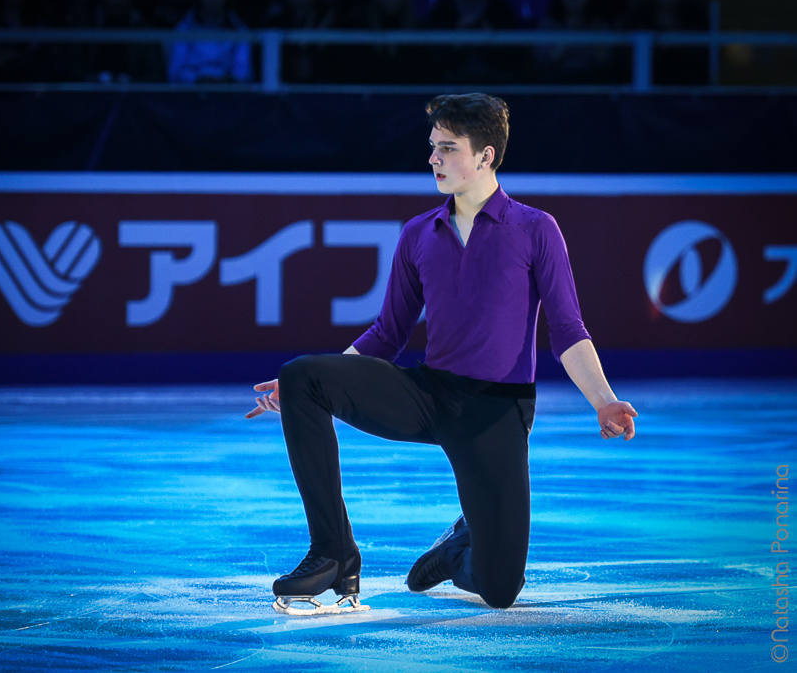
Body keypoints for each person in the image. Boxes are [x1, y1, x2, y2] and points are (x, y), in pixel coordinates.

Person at [247, 93, 637, 613]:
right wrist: (307, 385)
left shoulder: (535, 229)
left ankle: (457, 550)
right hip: (429, 394)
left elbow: (567, 330)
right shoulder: (418, 234)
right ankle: (333, 553)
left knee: (499, 589)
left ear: (486, 156)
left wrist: (604, 400)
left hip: (496, 411)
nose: (433, 158)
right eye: (433, 147)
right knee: (302, 375)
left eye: (448, 148)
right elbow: (388, 333)